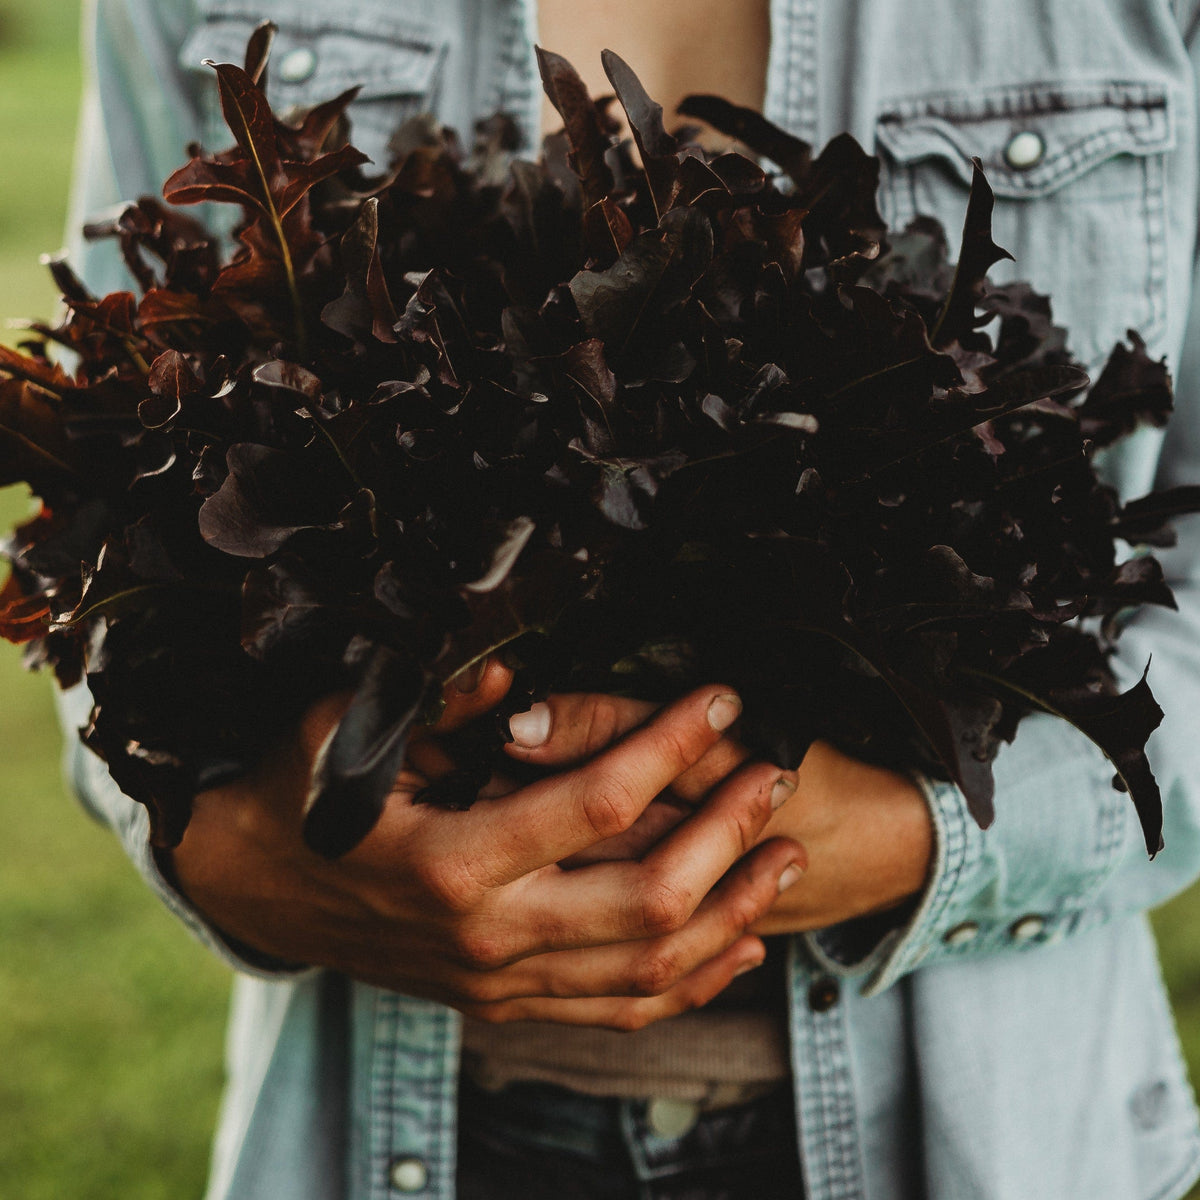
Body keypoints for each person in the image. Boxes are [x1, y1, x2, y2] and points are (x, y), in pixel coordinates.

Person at [60, 0, 1200, 1196]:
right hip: (390, 1128)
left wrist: (922, 838)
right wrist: (239, 851)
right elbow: (105, 492)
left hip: (979, 1132)